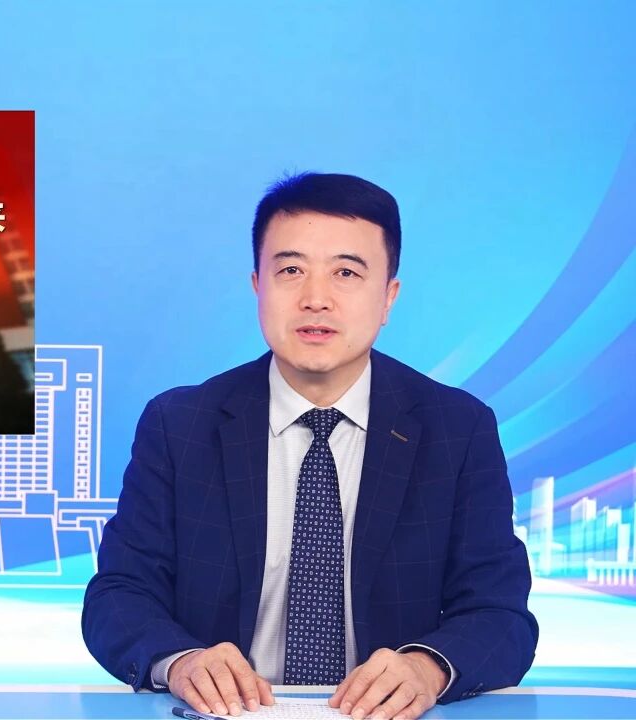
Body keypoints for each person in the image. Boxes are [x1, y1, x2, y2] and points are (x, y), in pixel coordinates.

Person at [81, 172, 537, 720]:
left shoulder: (456, 428)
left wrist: (426, 668)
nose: (315, 299)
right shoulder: (180, 425)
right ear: (258, 286)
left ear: (388, 297)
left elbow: (500, 615)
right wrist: (181, 662)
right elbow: (119, 595)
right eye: (291, 270)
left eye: (346, 273)